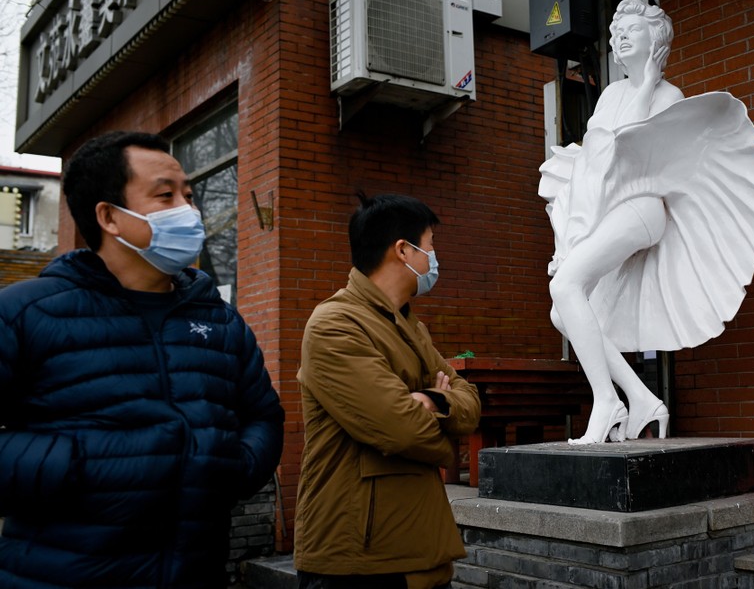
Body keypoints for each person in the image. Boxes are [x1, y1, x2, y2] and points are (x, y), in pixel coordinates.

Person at [0, 131, 285, 588]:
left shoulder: (219, 319)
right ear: (109, 217)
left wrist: (235, 466)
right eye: (165, 196)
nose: (189, 210)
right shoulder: (24, 312)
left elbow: (263, 415)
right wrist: (76, 464)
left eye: (188, 195)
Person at [539, 0, 754, 444]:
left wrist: (647, 85)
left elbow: (627, 148)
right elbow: (593, 167)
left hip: (642, 208)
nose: (621, 37)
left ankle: (606, 401)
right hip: (607, 208)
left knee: (566, 287)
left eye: (633, 29)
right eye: (617, 32)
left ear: (656, 40)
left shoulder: (668, 96)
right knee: (562, 311)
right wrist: (567, 242)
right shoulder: (611, 95)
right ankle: (642, 397)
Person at [294, 193, 481, 589]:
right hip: (358, 561)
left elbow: (470, 400)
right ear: (403, 251)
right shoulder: (335, 324)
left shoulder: (412, 326)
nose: (433, 258)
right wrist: (446, 439)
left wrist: (432, 399)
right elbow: (401, 429)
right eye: (430, 245)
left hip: (421, 549)